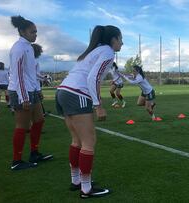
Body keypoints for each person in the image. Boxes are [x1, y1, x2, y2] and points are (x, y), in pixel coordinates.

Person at [56, 25, 123, 198]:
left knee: (76, 140)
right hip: (76, 93)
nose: (122, 43)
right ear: (113, 39)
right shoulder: (108, 52)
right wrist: (98, 105)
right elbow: (92, 77)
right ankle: (86, 189)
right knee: (89, 141)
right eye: (120, 39)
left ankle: (76, 181)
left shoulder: (93, 51)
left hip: (63, 91)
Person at [8, 15, 53, 171]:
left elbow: (30, 73)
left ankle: (34, 153)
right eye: (32, 32)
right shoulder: (19, 48)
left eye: (36, 31)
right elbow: (18, 75)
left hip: (31, 90)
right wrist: (24, 96)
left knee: (39, 120)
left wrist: (38, 90)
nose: (35, 34)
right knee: (22, 126)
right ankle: (16, 161)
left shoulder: (28, 47)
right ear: (22, 31)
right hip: (21, 92)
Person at [31, 43, 47, 116]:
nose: (40, 54)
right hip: (35, 84)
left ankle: (42, 112)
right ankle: (41, 113)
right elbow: (36, 74)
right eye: (40, 52)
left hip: (29, 84)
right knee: (39, 98)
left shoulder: (27, 60)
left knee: (35, 99)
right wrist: (44, 78)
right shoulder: (35, 61)